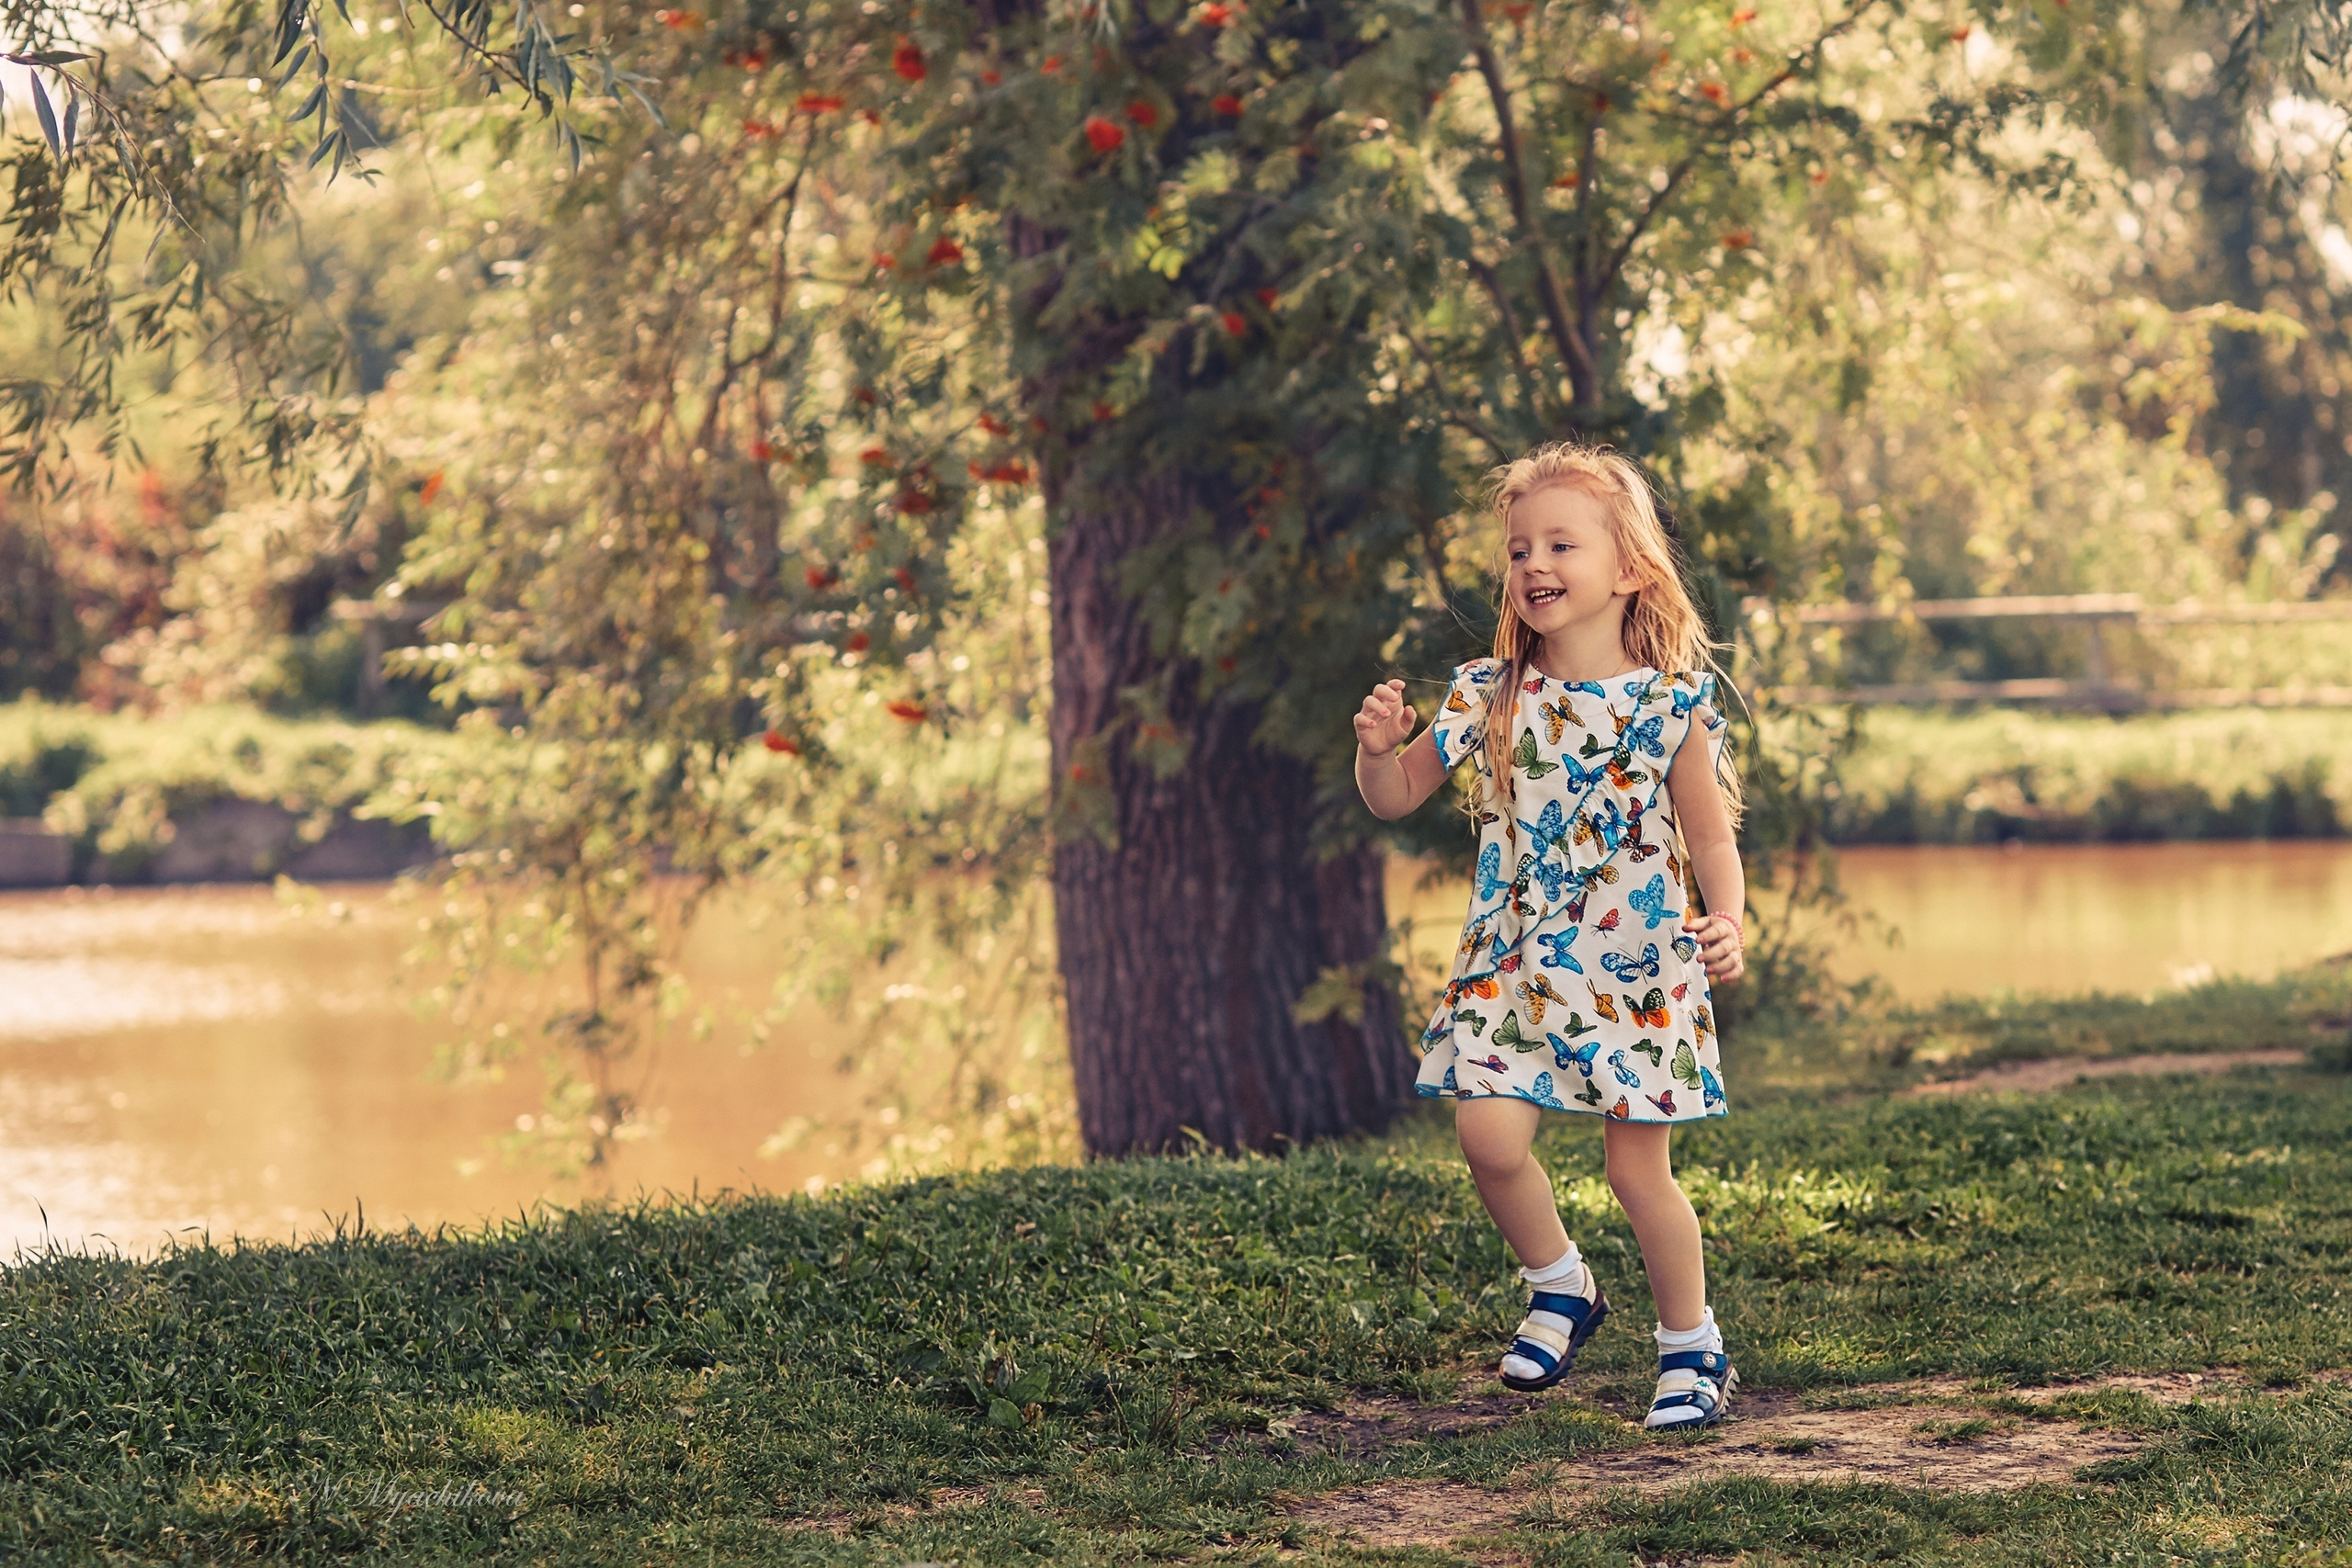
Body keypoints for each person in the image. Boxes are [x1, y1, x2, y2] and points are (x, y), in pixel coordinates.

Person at [1352, 440, 1747, 1429]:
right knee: (1485, 1136)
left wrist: (1729, 917)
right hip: (1514, 965)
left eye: (1560, 545)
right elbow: (1396, 798)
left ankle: (1689, 1347)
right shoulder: (1486, 693)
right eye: (1519, 549)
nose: (1533, 565)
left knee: (1633, 1172)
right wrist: (1376, 752)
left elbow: (1709, 835)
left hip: (1640, 972)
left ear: (1627, 571)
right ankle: (1561, 1283)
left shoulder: (1667, 708)